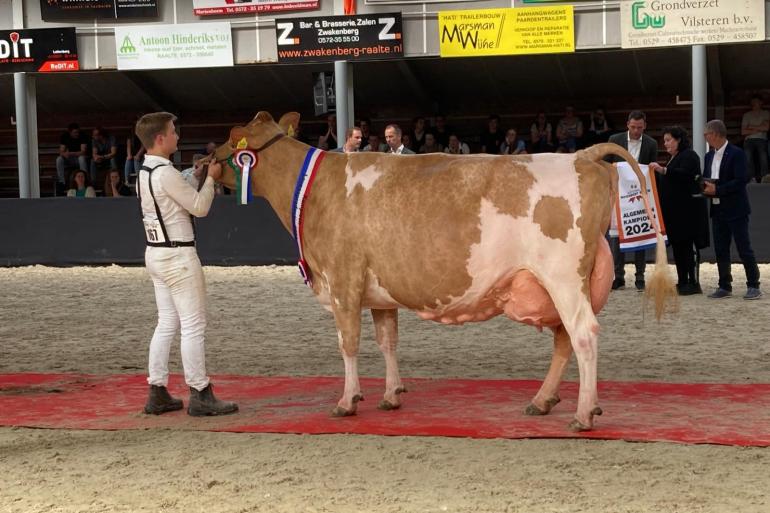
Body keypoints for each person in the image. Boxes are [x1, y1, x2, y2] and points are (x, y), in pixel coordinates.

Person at [135, 111, 238, 416]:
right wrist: (211, 181)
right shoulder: (165, 173)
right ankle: (200, 392)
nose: (177, 136)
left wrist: (194, 177)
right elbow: (199, 207)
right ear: (160, 138)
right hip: (178, 255)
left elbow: (172, 196)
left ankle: (157, 390)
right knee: (193, 325)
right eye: (173, 131)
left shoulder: (145, 172)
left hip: (155, 252)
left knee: (166, 323)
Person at [702, 119, 762, 300]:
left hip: (736, 209)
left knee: (744, 248)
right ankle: (724, 285)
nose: (705, 137)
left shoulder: (737, 153)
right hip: (717, 208)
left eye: (707, 134)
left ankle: (753, 285)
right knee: (721, 248)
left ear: (715, 134)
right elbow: (708, 178)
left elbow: (741, 179)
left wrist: (718, 189)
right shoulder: (708, 156)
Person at [648, 127, 709, 295]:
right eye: (665, 140)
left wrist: (663, 170)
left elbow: (687, 175)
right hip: (675, 213)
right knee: (679, 247)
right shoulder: (674, 157)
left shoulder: (689, 155)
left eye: (669, 140)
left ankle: (692, 282)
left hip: (687, 212)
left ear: (678, 140)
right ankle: (683, 281)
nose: (665, 143)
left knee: (687, 247)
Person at [607, 110, 658, 291]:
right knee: (616, 235)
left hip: (640, 194)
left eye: (640, 127)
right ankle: (618, 276)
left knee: (640, 232)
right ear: (627, 124)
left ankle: (640, 276)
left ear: (645, 125)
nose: (636, 131)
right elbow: (605, 164)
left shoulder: (651, 143)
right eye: (633, 127)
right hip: (618, 193)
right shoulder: (614, 139)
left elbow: (651, 169)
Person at [740, 95, 769, 183]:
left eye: (756, 101)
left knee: (763, 155)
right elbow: (743, 132)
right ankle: (751, 178)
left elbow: (767, 128)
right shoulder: (747, 115)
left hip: (762, 139)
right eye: (752, 102)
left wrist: (751, 127)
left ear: (761, 103)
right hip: (749, 140)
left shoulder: (766, 113)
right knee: (747, 156)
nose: (754, 104)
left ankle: (765, 177)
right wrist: (759, 127)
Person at [56, 122, 89, 188]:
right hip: (69, 160)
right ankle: (62, 182)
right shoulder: (65, 136)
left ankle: (85, 181)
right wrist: (64, 154)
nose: (77, 134)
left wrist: (70, 153)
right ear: (70, 132)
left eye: (77, 132)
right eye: (75, 132)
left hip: (78, 160)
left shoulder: (83, 135)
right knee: (59, 159)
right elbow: (61, 151)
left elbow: (83, 152)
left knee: (81, 158)